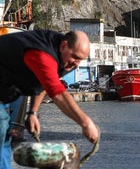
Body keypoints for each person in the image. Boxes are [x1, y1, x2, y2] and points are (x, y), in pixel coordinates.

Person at [0, 30, 99, 168]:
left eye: (81, 59)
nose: (77, 64)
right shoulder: (41, 54)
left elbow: (44, 82)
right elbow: (57, 93)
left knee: (6, 137)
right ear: (64, 45)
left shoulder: (64, 57)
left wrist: (33, 112)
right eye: (75, 57)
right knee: (1, 128)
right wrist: (86, 123)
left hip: (8, 88)